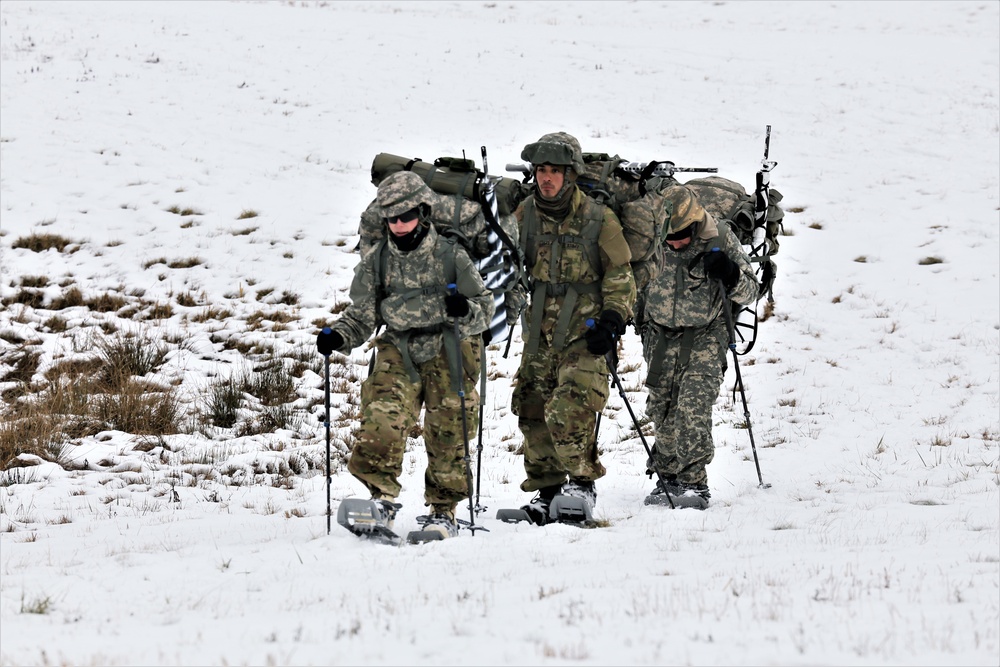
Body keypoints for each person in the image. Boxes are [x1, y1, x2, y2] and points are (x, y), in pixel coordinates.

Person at [317, 171, 495, 539]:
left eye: (406, 217)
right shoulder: (377, 261)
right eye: (391, 219)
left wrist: (465, 310)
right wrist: (338, 336)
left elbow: (485, 307)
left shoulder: (451, 257)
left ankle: (444, 509)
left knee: (449, 430)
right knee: (381, 417)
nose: (399, 225)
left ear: (424, 212)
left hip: (450, 348)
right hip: (399, 347)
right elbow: (364, 312)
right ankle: (380, 500)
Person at [510, 132, 636, 523]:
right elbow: (510, 269)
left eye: (555, 171)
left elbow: (620, 275)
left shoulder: (599, 217)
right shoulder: (524, 214)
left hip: (586, 331)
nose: (546, 179)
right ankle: (546, 491)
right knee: (531, 408)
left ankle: (582, 483)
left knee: (570, 406)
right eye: (541, 171)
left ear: (572, 174)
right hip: (538, 333)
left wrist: (613, 321)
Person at [639, 185, 760, 509]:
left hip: (707, 332)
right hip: (659, 333)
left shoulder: (720, 238)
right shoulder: (648, 236)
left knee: (692, 404)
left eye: (680, 235)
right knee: (662, 408)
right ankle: (667, 476)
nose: (674, 243)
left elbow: (751, 292)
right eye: (668, 236)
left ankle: (694, 484)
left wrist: (731, 274)